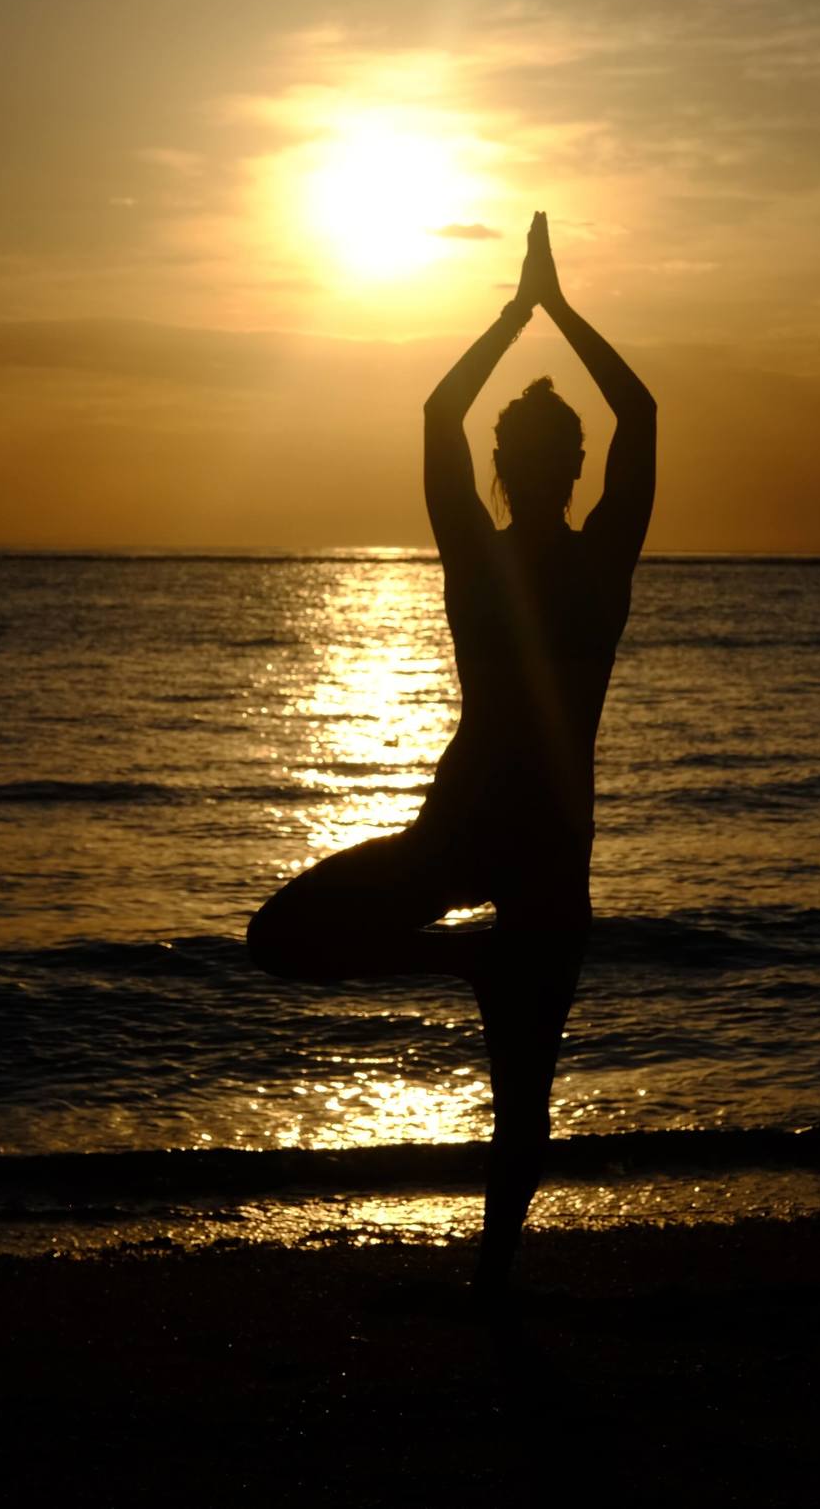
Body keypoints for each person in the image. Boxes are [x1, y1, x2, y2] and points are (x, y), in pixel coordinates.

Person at [247, 210, 656, 1295]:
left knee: (280, 936)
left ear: (500, 465)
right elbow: (642, 411)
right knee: (525, 1088)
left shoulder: (477, 559)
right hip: (546, 845)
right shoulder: (601, 562)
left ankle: (458, 966)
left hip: (465, 827)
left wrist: (514, 314)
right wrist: (557, 311)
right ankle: (491, 1282)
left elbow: (438, 408)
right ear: (572, 468)